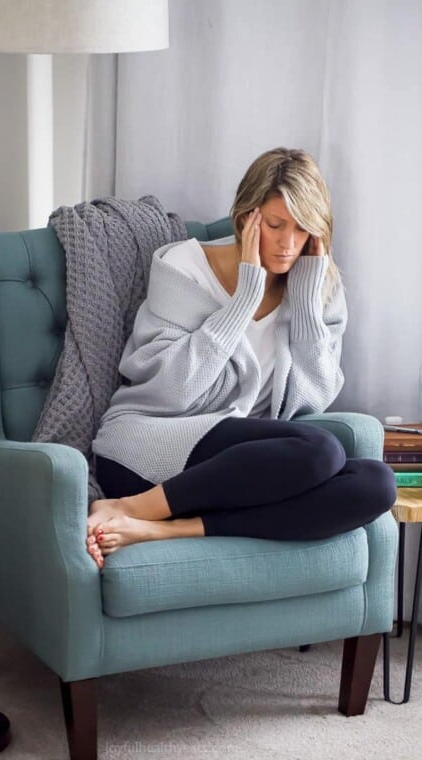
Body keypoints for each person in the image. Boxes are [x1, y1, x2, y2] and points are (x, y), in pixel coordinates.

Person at [86, 147, 396, 569]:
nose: (288, 243)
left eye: (303, 229)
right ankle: (136, 507)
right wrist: (244, 298)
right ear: (246, 218)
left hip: (242, 466)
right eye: (275, 225)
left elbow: (312, 399)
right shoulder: (184, 268)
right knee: (320, 451)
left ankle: (166, 527)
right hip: (151, 442)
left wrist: (304, 302)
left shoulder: (317, 289)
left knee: (376, 485)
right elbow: (174, 393)